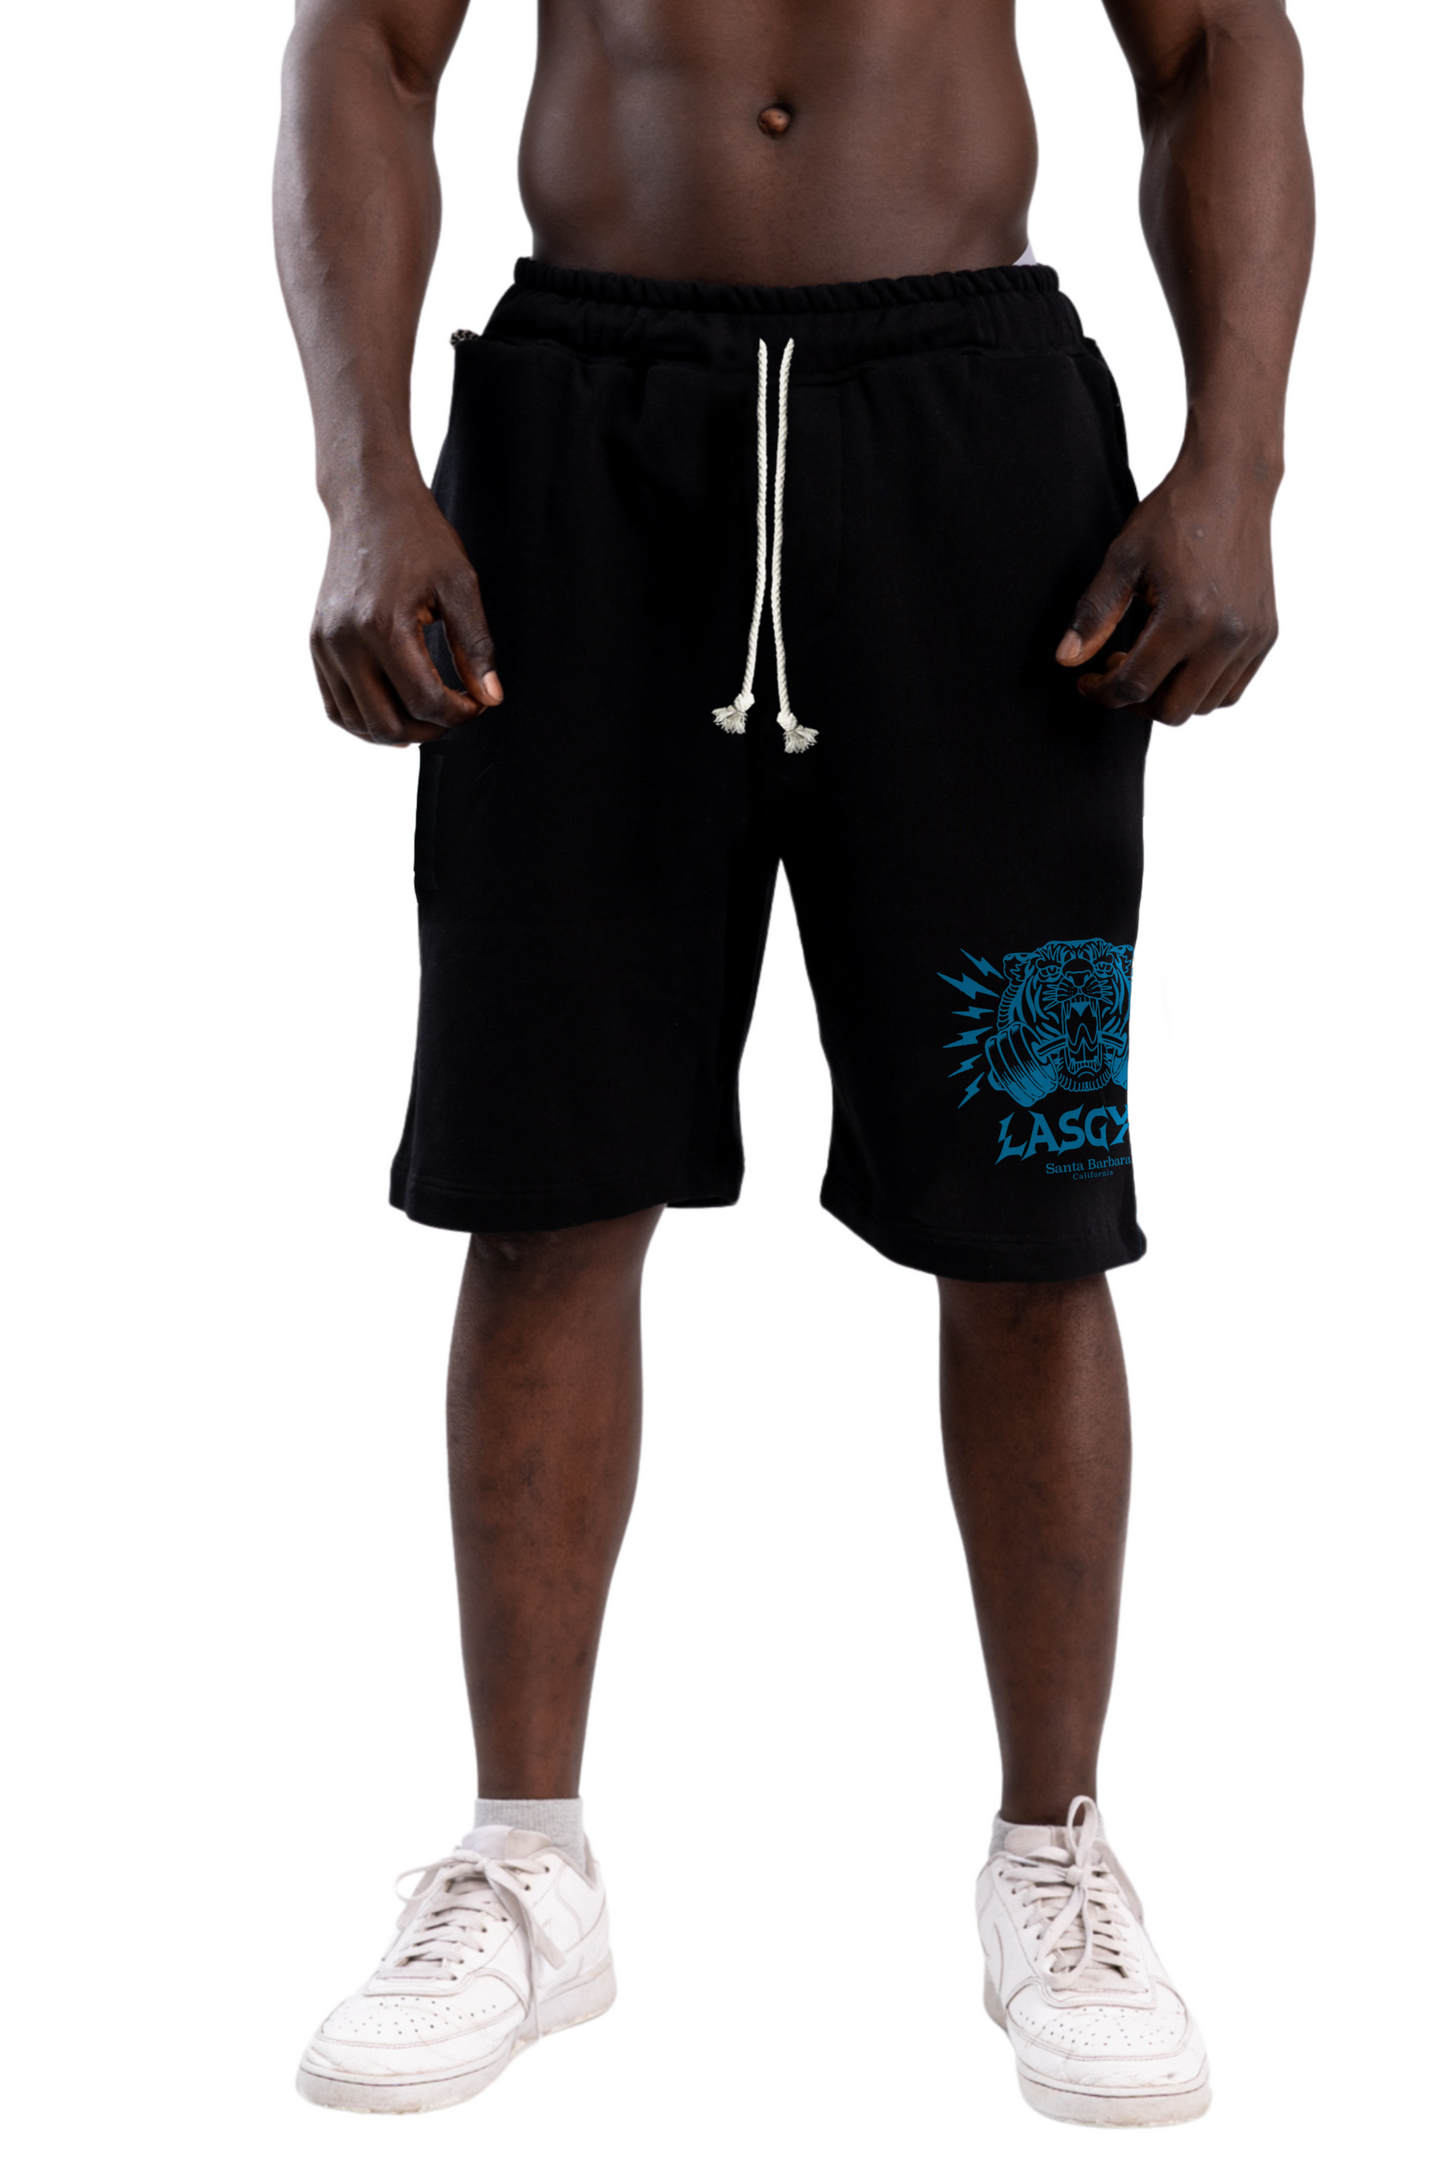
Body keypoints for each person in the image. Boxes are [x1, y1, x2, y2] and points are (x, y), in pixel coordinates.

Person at [274, 0, 1311, 2126]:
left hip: (968, 449)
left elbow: (1217, 47)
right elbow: (361, 47)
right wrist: (365, 480)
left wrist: (1237, 465)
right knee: (540, 1181)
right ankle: (526, 1861)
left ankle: (1053, 1854)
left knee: (1031, 1194)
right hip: (582, 435)